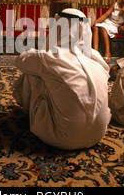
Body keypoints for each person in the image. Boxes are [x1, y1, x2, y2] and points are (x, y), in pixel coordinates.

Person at [12, 8, 111, 150]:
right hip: (97, 136)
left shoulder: (50, 57)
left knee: (31, 74)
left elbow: (20, 61)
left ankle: (31, 118)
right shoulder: (96, 57)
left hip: (61, 138)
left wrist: (38, 52)